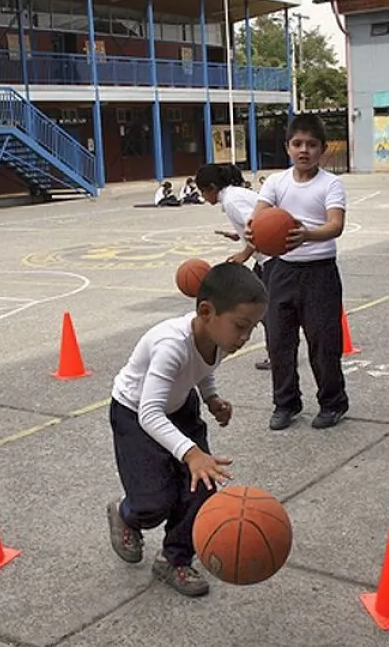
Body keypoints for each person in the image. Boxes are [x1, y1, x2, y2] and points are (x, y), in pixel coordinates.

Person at [106, 263, 267, 597]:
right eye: (241, 327)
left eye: (251, 329)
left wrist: (211, 398)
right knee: (154, 501)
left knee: (201, 489)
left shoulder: (219, 337)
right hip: (135, 413)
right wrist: (192, 453)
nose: (245, 338)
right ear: (206, 311)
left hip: (180, 408)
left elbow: (203, 366)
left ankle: (174, 558)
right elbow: (150, 413)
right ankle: (126, 514)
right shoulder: (171, 344)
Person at [247, 113, 349, 431]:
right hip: (281, 271)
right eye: (297, 144)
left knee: (323, 343)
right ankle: (285, 403)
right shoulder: (277, 182)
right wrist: (253, 232)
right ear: (287, 147)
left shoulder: (331, 184)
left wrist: (306, 235)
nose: (304, 150)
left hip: (319, 272)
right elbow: (259, 216)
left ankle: (332, 403)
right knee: (279, 342)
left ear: (322, 150)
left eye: (311, 144)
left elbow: (336, 225)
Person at [196, 162, 271, 370]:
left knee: (266, 311)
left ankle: (279, 354)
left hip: (271, 259)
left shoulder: (231, 200)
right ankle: (277, 351)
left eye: (202, 192)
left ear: (211, 188)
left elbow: (259, 227)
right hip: (266, 258)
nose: (203, 197)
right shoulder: (235, 194)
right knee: (265, 311)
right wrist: (237, 235)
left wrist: (244, 254)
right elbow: (252, 224)